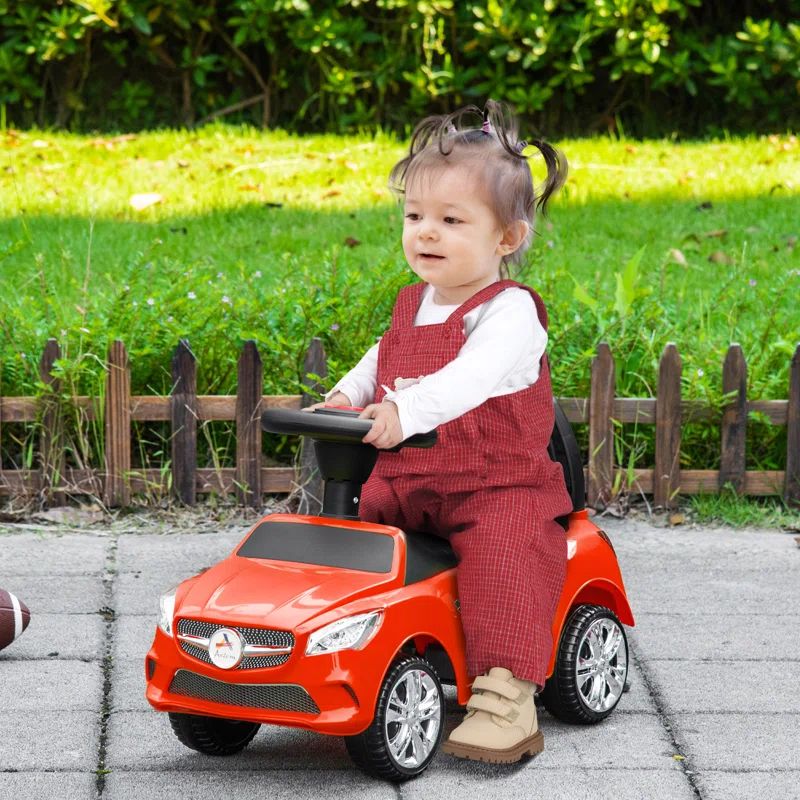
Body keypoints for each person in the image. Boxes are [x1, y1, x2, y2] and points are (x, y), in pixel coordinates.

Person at [315, 100, 573, 763]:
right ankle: (318, 645)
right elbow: (382, 361)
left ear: (505, 239)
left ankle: (506, 692)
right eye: (414, 216)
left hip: (496, 485)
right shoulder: (413, 303)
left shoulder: (510, 314)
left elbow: (470, 379)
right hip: (407, 484)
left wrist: (405, 412)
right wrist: (347, 396)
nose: (426, 233)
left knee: (506, 556)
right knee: (335, 537)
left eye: (451, 221)